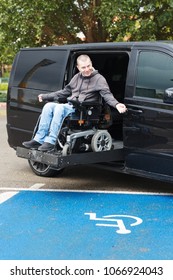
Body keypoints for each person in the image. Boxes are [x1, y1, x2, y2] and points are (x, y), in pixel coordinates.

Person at [23, 54, 127, 151]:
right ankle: (38, 139)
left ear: (91, 64)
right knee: (48, 106)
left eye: (88, 66)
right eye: (83, 67)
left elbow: (107, 95)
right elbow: (65, 92)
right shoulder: (77, 77)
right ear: (78, 67)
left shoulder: (99, 79)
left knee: (60, 108)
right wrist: (46, 96)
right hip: (71, 106)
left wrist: (116, 104)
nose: (87, 70)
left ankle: (51, 141)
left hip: (85, 110)